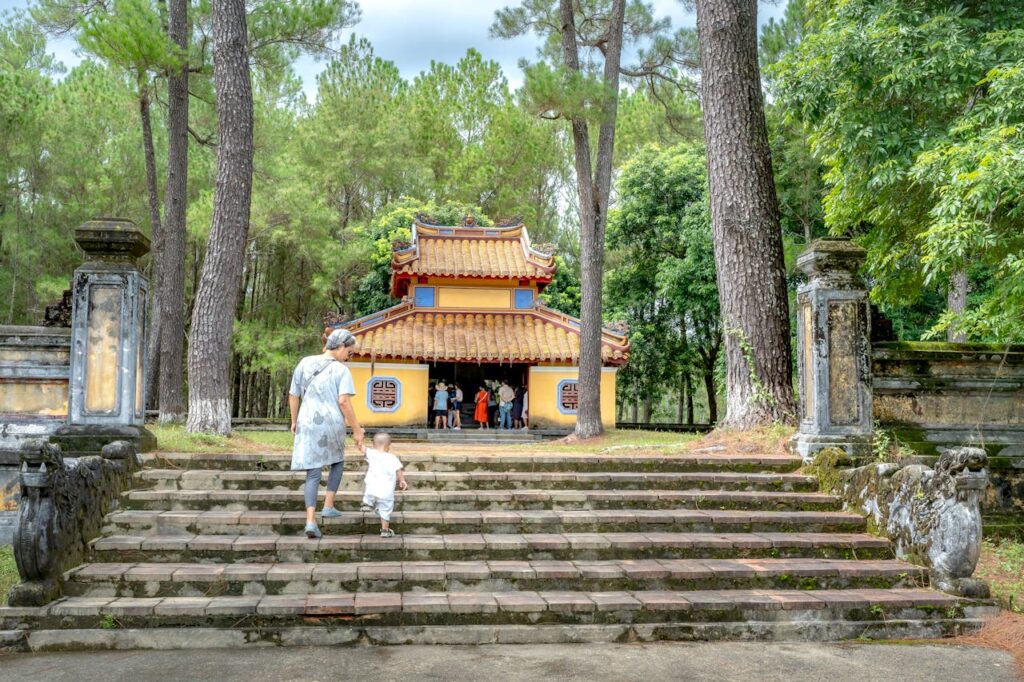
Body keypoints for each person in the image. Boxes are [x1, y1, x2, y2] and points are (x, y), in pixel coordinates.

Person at [289, 327, 364, 540]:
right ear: (340, 347)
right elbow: (344, 402)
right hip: (331, 423)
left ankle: (311, 520)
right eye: (349, 351)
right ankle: (328, 505)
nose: (349, 356)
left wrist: (294, 421)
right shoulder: (341, 370)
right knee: (337, 462)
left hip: (307, 421)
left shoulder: (304, 362)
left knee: (312, 473)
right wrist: (357, 429)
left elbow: (293, 395)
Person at [359, 432, 407, 537]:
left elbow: (361, 447)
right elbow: (398, 470)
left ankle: (367, 503)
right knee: (386, 509)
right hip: (387, 491)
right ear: (388, 446)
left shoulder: (372, 453)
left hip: (372, 487)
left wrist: (360, 438)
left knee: (369, 491)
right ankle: (385, 530)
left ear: (374, 445)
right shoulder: (393, 458)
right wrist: (402, 480)